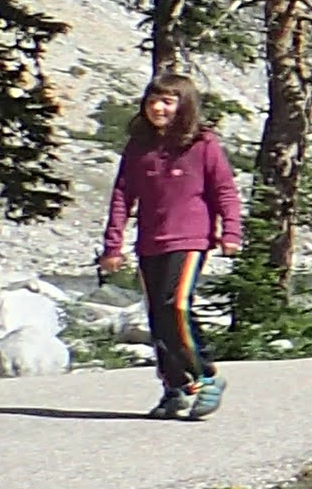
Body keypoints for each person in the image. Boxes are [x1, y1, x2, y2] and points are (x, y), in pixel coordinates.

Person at [94, 77, 243, 422]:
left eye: (167, 102)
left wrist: (231, 231)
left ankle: (207, 376)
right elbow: (122, 196)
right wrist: (113, 244)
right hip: (150, 241)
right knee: (158, 318)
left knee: (175, 305)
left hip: (190, 238)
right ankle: (175, 387)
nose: (157, 108)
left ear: (184, 106)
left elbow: (224, 190)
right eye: (152, 101)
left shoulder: (203, 144)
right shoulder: (138, 146)